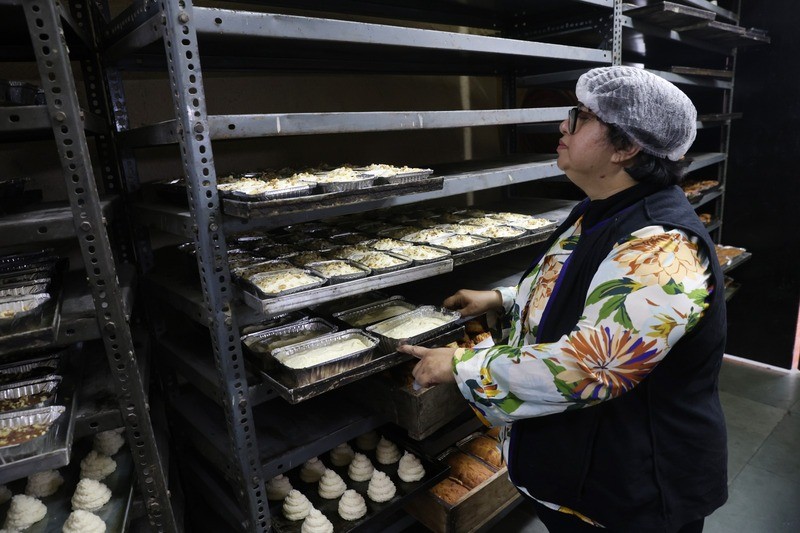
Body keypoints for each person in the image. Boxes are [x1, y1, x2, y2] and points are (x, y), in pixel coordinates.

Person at [398, 66, 727, 533]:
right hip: (589, 469)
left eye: (580, 117)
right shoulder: (602, 209)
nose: (562, 125)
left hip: (633, 493)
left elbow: (590, 366)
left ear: (626, 147)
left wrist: (460, 365)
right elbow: (585, 284)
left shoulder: (661, 249)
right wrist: (502, 298)